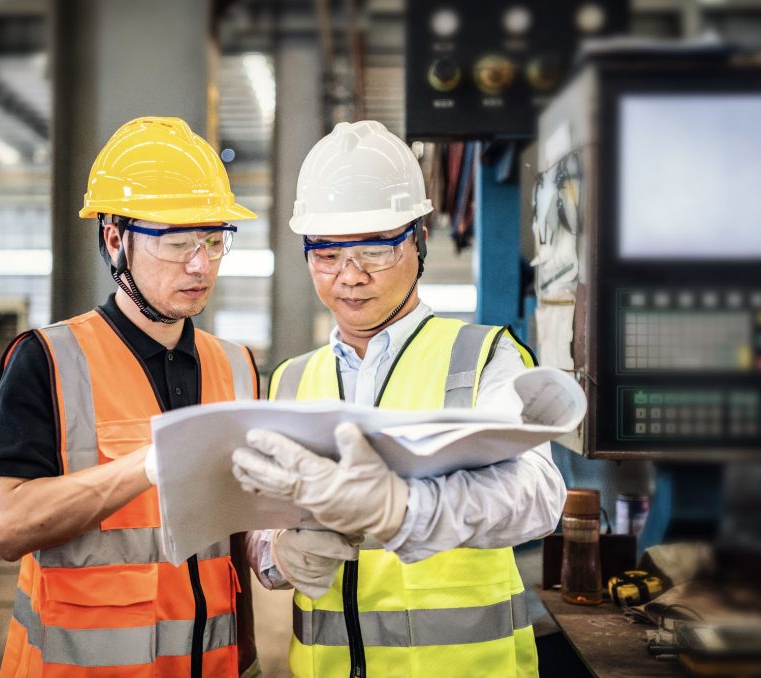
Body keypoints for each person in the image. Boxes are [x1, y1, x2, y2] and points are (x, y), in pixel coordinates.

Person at [232, 120, 567, 677]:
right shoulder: (291, 380)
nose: (350, 277)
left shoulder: (484, 359)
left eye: (374, 251)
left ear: (419, 239)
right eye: (327, 254)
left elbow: (538, 496)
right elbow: (258, 519)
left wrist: (404, 511)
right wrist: (274, 554)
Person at [0, 117, 261, 677]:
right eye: (178, 241)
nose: (200, 264)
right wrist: (145, 466)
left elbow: (230, 540)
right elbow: (8, 527)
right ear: (115, 239)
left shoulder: (235, 365)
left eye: (213, 240)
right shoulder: (48, 361)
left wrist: (248, 656)